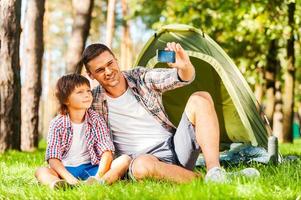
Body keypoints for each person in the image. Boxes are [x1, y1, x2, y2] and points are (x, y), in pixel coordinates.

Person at [80, 42, 258, 183]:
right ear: (91, 75)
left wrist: (184, 66)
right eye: (100, 70)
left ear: (116, 60)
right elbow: (71, 125)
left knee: (201, 98)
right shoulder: (91, 101)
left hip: (175, 148)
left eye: (110, 63)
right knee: (142, 166)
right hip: (141, 160)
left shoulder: (139, 77)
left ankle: (214, 171)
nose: (109, 71)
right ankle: (206, 180)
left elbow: (180, 78)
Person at [35, 74, 131, 189]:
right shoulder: (57, 124)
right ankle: (57, 184)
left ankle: (100, 182)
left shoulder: (96, 119)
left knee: (124, 160)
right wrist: (69, 178)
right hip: (66, 170)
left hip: (92, 169)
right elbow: (53, 158)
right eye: (80, 92)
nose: (87, 95)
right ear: (66, 100)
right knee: (41, 171)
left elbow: (107, 151)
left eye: (88, 91)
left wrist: (99, 175)